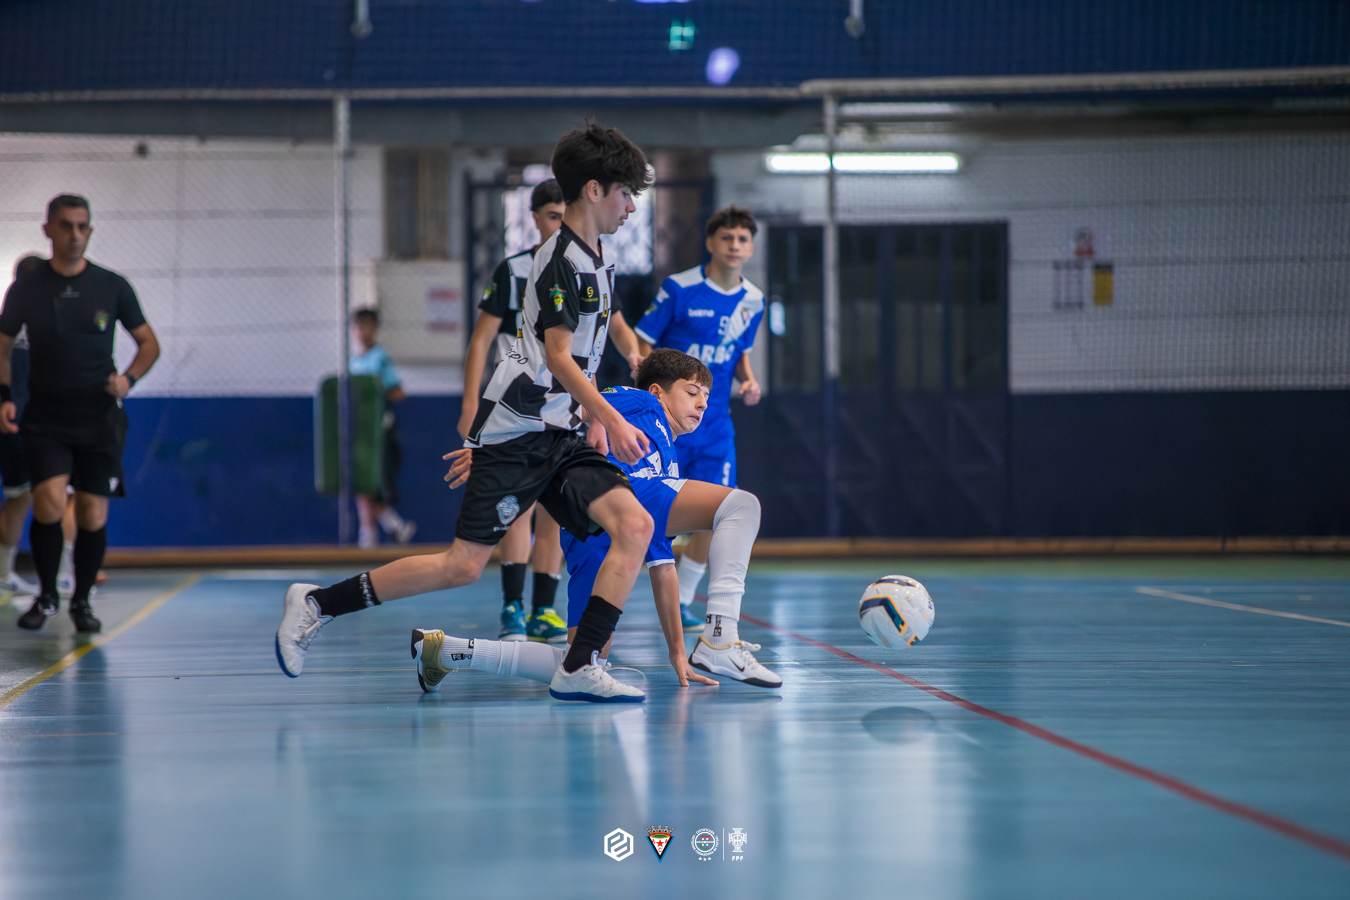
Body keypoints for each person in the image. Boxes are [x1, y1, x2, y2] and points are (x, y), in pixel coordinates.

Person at [276, 121, 657, 703]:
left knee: (634, 525)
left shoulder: (599, 258)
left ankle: (579, 666)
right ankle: (316, 604)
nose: (632, 207)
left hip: (561, 431)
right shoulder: (558, 261)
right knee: (461, 567)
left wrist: (590, 417)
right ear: (594, 189)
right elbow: (558, 358)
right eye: (626, 193)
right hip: (522, 430)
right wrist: (610, 417)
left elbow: (579, 355)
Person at [411, 349, 779, 694]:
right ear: (657, 391)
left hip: (593, 536)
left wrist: (677, 652)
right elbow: (573, 409)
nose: (702, 403)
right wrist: (495, 451)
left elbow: (663, 568)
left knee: (583, 662)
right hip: (614, 499)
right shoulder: (640, 401)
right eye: (692, 392)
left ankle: (447, 651)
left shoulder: (667, 461)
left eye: (707, 397)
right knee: (741, 506)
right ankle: (721, 636)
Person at [0, 194, 160, 632]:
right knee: (48, 501)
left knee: (91, 512)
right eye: (67, 226)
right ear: (48, 230)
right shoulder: (27, 287)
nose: (75, 235)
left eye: (83, 226)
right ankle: (47, 596)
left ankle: (82, 601)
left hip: (98, 418)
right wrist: (4, 395)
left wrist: (128, 379)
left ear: (89, 231)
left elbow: (149, 344)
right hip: (46, 417)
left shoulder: (112, 285)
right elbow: (3, 343)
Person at [634, 206, 765, 631]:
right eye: (727, 238)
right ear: (711, 243)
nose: (734, 246)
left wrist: (748, 379)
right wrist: (646, 387)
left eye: (742, 239)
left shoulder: (754, 300)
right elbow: (643, 341)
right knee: (650, 508)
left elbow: (739, 352)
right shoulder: (680, 288)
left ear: (751, 247)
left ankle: (684, 599)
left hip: (715, 424)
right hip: (668, 423)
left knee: (720, 509)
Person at [460, 179, 568, 644]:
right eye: (553, 216)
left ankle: (545, 609)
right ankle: (512, 607)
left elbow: (612, 328)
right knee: (517, 509)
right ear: (536, 217)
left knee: (554, 509)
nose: (560, 225)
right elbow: (481, 340)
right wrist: (471, 404)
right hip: (513, 406)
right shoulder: (514, 270)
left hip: (560, 407)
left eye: (566, 216)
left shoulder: (583, 270)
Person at [349, 307, 417, 549]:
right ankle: (375, 532)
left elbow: (398, 392)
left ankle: (389, 528)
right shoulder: (353, 361)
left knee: (375, 483)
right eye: (358, 326)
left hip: (379, 433)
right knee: (360, 482)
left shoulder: (380, 358)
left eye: (367, 325)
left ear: (375, 329)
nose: (362, 331)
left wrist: (375, 397)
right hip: (359, 431)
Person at [0, 254, 42, 595]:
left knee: (23, 493)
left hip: (17, 419)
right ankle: (4, 572)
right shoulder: (38, 325)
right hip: (19, 422)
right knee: (24, 494)